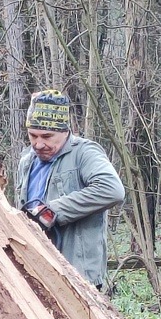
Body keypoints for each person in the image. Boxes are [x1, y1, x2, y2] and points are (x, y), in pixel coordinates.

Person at [14, 90, 125, 289]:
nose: (38, 144)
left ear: (65, 131)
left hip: (77, 275)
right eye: (33, 135)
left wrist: (52, 211)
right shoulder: (27, 161)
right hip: (36, 269)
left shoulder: (85, 153)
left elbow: (112, 190)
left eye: (47, 136)